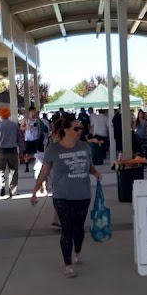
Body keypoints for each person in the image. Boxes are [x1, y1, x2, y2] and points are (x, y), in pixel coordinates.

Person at [32, 115, 102, 278]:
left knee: (79, 230)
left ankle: (77, 250)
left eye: (81, 128)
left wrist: (96, 173)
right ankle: (68, 264)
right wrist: (35, 191)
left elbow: (89, 166)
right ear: (65, 130)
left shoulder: (84, 147)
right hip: (62, 195)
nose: (80, 131)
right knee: (67, 229)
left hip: (83, 194)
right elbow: (44, 172)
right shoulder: (53, 150)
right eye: (76, 128)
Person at [0, 106, 24, 197]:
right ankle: (12, 191)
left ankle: (2, 186)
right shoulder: (14, 125)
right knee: (13, 171)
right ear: (8, 115)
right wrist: (21, 150)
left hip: (1, 151)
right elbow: (20, 139)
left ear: (0, 115)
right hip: (13, 151)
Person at [21, 106, 42, 173]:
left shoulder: (37, 119)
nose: (34, 113)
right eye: (33, 111)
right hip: (28, 139)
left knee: (36, 152)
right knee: (27, 153)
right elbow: (21, 128)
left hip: (35, 138)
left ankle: (37, 165)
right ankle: (27, 166)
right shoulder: (25, 119)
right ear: (30, 112)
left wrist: (38, 135)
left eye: (35, 111)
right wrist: (26, 128)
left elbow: (39, 127)